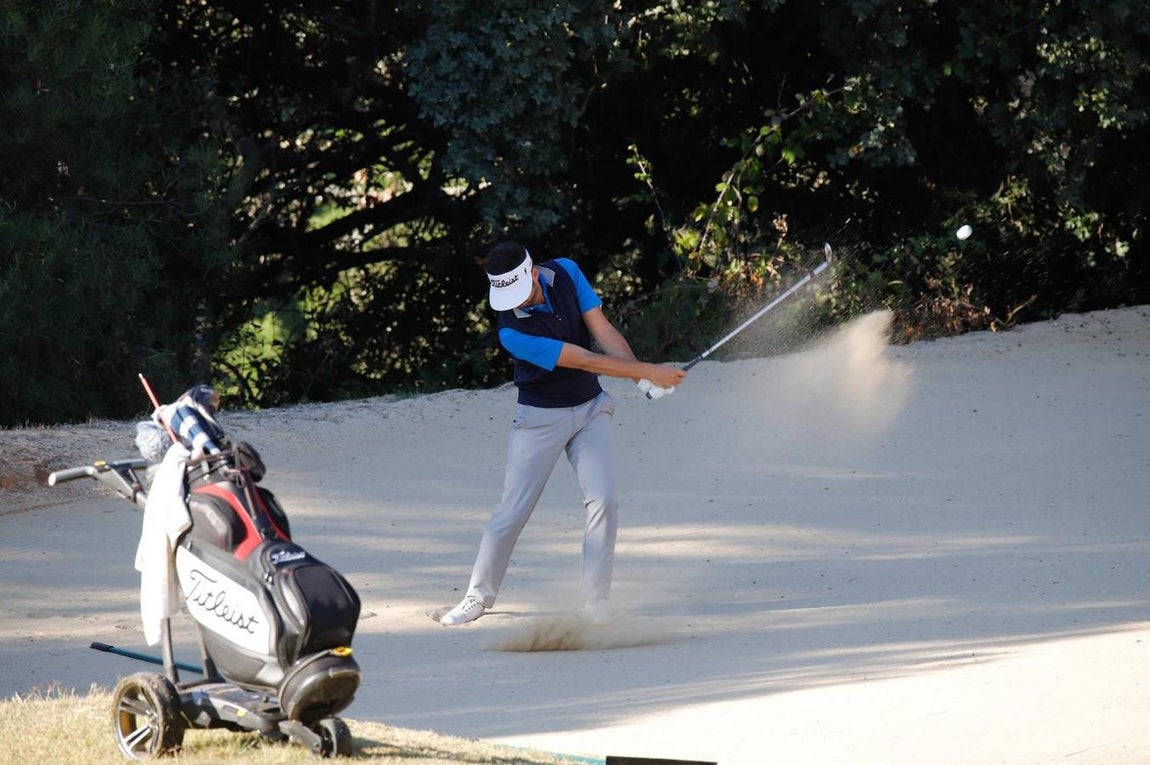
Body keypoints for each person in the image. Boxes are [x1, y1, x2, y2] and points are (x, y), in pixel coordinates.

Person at [439, 242, 686, 625]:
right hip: (539, 420)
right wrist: (651, 370)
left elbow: (603, 330)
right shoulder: (511, 332)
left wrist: (641, 377)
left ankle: (595, 603)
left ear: (534, 273)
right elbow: (583, 359)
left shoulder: (567, 272)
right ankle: (477, 596)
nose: (513, 302)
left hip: (590, 410)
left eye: (519, 291)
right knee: (512, 511)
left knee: (603, 500)